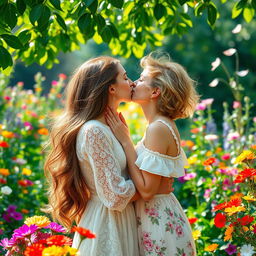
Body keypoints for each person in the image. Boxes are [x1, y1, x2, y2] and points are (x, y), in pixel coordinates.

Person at [43, 56, 173, 256]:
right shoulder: (94, 130)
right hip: (107, 225)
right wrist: (154, 187)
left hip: (123, 220)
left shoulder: (110, 127)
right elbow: (115, 195)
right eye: (125, 77)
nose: (131, 83)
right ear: (111, 88)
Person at [105, 53, 199, 256]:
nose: (133, 83)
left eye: (140, 80)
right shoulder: (160, 125)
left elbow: (147, 191)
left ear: (155, 91)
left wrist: (125, 141)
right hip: (156, 216)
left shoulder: (158, 128)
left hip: (159, 224)